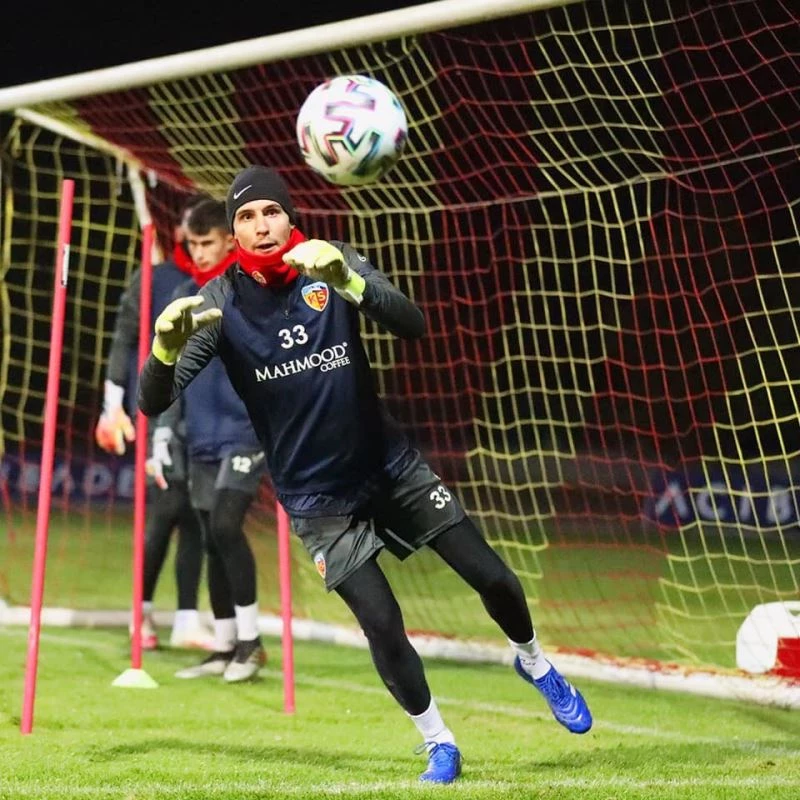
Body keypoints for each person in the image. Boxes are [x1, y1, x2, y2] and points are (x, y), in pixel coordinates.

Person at [138, 165, 592, 783]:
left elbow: (413, 324)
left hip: (390, 466)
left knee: (495, 578)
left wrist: (349, 282)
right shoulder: (219, 302)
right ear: (235, 232)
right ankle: (438, 741)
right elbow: (153, 401)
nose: (260, 224)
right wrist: (164, 349)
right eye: (245, 216)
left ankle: (534, 661)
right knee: (381, 622)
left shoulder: (331, 262)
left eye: (270, 211)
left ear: (289, 218)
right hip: (318, 501)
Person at [95, 192, 213, 651]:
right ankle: (139, 613)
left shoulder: (218, 282)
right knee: (166, 507)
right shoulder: (155, 278)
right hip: (156, 409)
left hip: (201, 413)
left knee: (198, 513)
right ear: (180, 231)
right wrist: (112, 406)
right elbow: (124, 339)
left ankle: (186, 619)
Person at [161, 198, 268, 683]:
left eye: (207, 243)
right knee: (209, 537)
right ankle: (225, 645)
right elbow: (169, 368)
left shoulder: (248, 290)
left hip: (245, 431)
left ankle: (251, 642)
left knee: (226, 525)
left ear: (228, 241)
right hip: (201, 434)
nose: (199, 252)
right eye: (193, 245)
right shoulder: (185, 295)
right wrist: (166, 428)